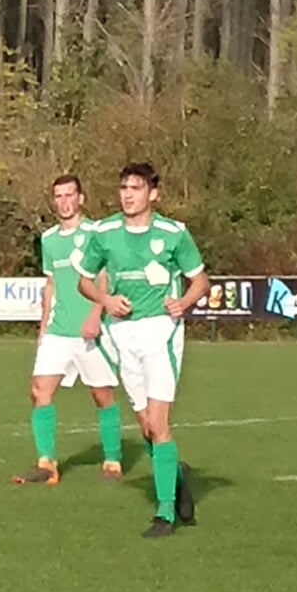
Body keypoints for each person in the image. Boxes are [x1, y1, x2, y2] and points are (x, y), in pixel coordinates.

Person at [77, 163, 211, 537]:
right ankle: (178, 478)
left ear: (154, 193)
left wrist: (183, 303)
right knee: (146, 429)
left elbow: (200, 281)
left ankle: (165, 513)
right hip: (122, 333)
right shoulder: (103, 232)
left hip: (160, 331)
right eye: (123, 187)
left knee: (159, 423)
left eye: (136, 188)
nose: (128, 194)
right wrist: (105, 299)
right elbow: (84, 282)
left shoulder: (173, 233)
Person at [15, 175, 122, 486]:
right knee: (39, 391)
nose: (64, 202)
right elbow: (51, 284)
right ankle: (46, 464)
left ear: (81, 199)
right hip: (58, 331)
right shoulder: (48, 239)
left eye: (69, 195)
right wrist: (43, 327)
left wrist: (95, 314)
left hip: (91, 330)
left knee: (101, 396)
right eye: (58, 196)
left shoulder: (95, 233)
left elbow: (104, 277)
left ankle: (113, 461)